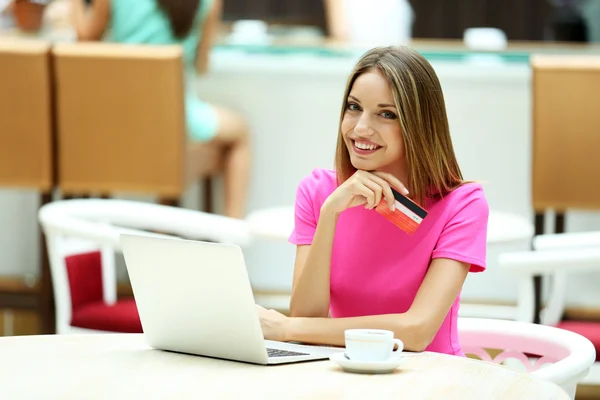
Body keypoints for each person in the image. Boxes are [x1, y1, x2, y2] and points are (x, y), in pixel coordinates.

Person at [257, 46, 489, 356]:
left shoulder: (462, 205)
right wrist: (330, 215)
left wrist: (285, 329)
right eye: (354, 107)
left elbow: (417, 331)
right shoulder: (318, 191)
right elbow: (308, 317)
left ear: (419, 125)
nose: (361, 128)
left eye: (387, 114)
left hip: (429, 380)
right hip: (343, 374)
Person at [70, 0, 251, 218]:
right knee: (240, 133)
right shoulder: (209, 3)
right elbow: (201, 67)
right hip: (175, 124)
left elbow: (84, 42)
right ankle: (231, 234)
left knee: (169, 145)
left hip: (120, 120)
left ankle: (163, 222)